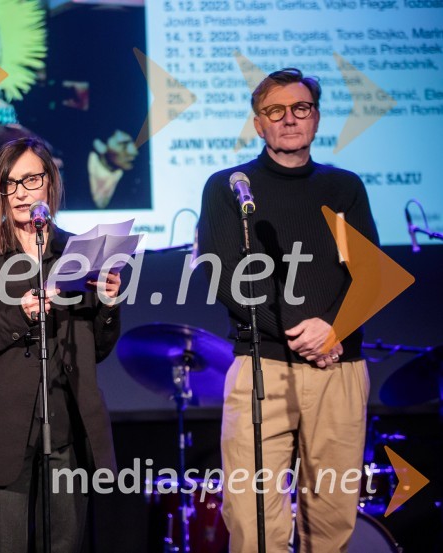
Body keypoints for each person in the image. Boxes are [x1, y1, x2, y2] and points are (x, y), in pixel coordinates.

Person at [197, 68, 378, 552]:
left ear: (316, 119)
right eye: (275, 111)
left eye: (301, 108)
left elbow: (370, 273)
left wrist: (333, 330)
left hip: (339, 365)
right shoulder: (229, 188)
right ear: (258, 124)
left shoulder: (344, 188)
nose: (289, 119)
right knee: (254, 521)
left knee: (332, 518)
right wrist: (302, 335)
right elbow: (225, 276)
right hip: (263, 366)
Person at [0, 137, 121, 552]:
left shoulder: (80, 252)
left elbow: (96, 348)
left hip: (66, 429)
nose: (22, 192)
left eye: (32, 179)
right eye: (10, 183)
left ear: (50, 184)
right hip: (0, 433)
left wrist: (109, 306)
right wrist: (17, 315)